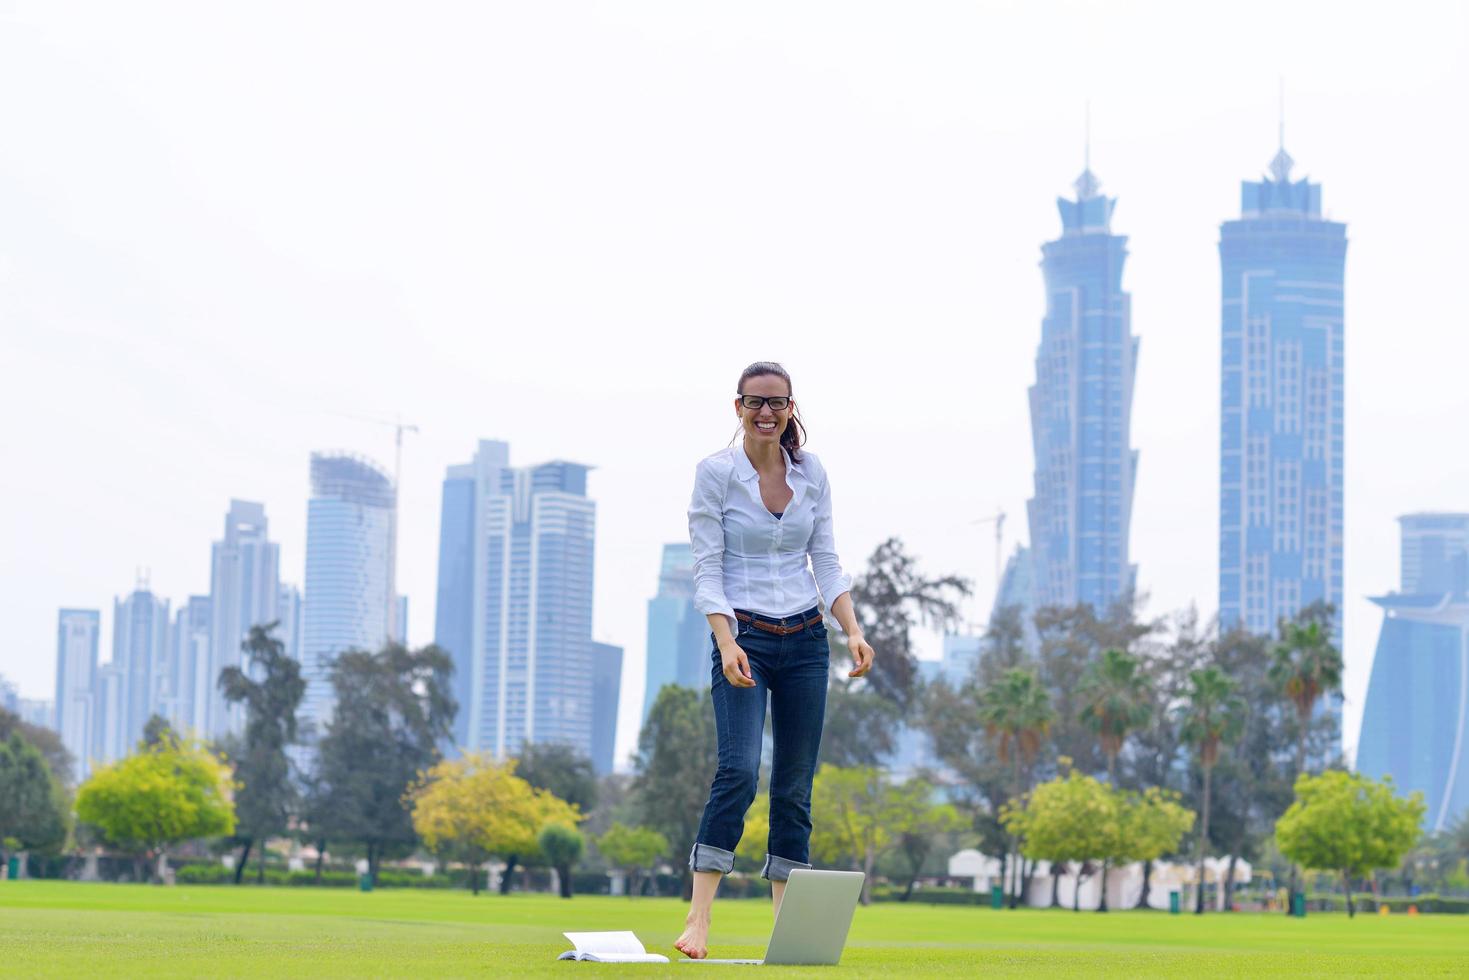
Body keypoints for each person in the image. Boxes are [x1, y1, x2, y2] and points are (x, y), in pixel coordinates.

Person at [673, 361, 875, 960]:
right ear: (737, 407)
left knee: (793, 788)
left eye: (777, 402)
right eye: (755, 402)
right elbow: (707, 568)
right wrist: (727, 640)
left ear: (791, 407)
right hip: (746, 639)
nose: (766, 413)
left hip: (808, 640)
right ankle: (699, 919)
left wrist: (854, 631)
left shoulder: (812, 474)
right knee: (737, 771)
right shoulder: (716, 475)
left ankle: (788, 933)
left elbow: (828, 561)